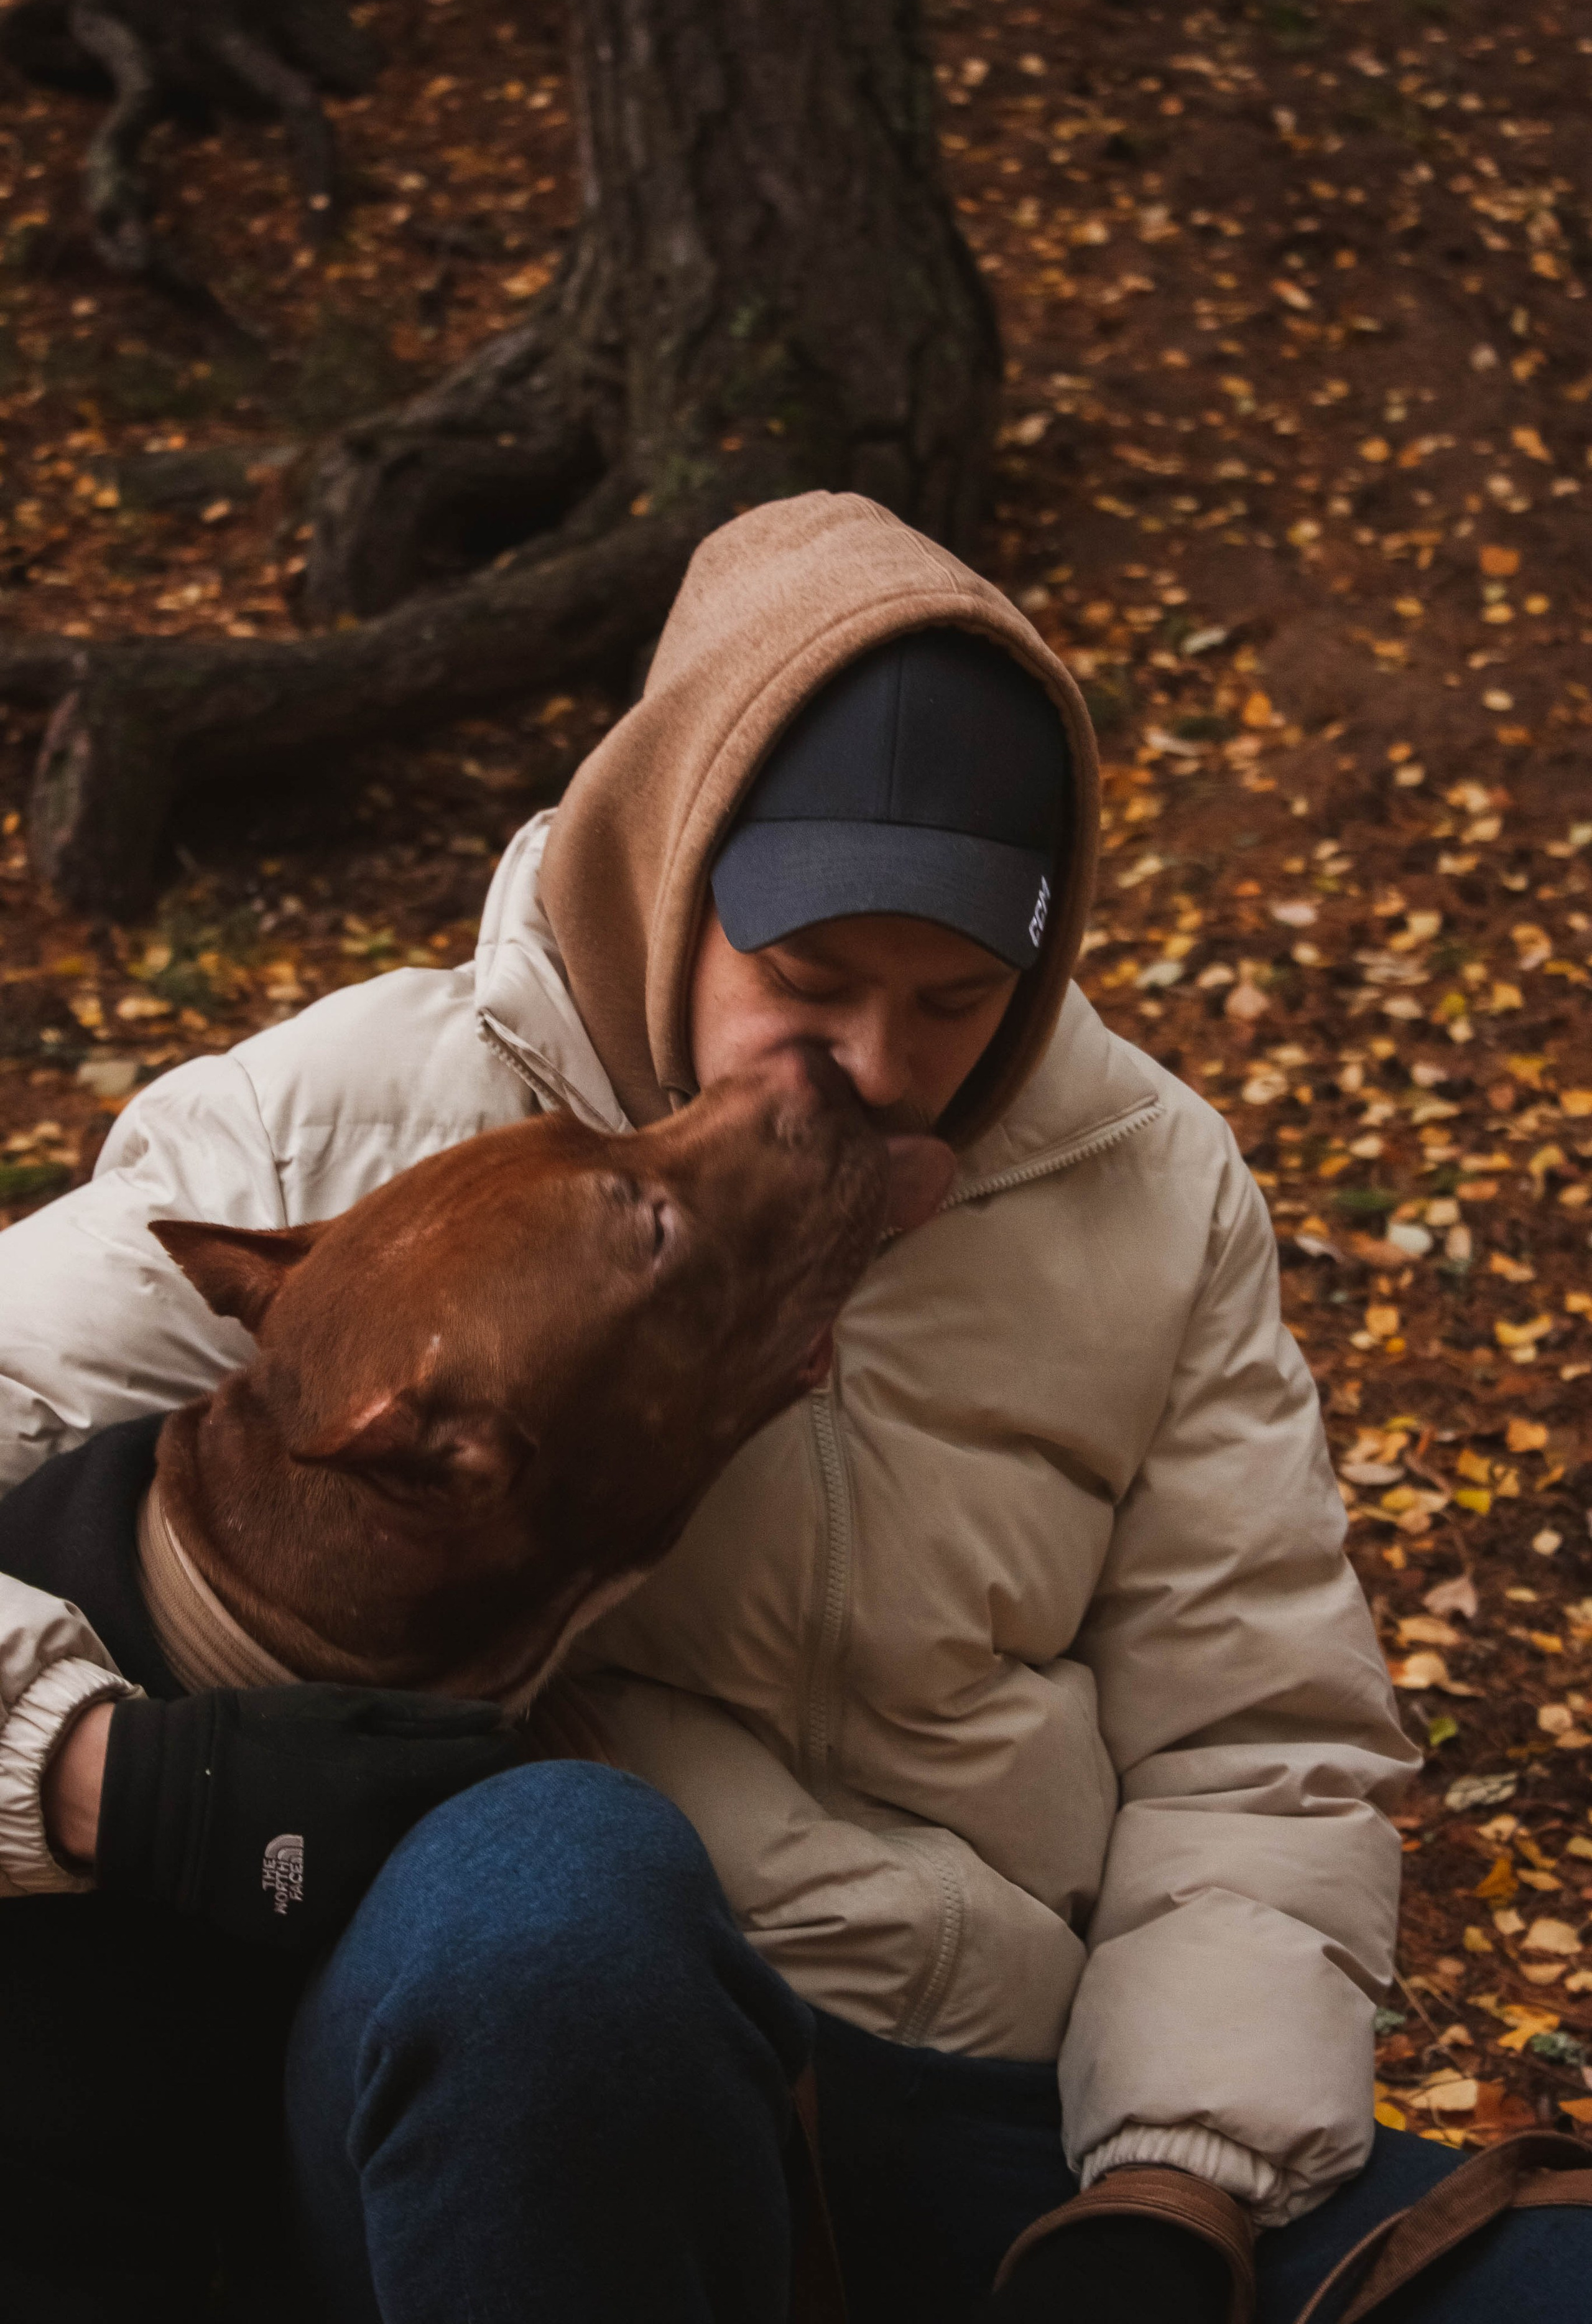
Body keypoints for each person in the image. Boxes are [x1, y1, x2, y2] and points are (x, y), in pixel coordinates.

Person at [0, 493, 1583, 2324]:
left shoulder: (1152, 1185)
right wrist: (97, 1775)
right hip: (549, 2086)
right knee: (554, 1905)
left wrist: (1171, 2189)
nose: (881, 1068)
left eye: (959, 998)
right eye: (808, 983)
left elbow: (1260, 1746)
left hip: (1033, 2102)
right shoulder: (345, 1141)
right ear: (678, 872)